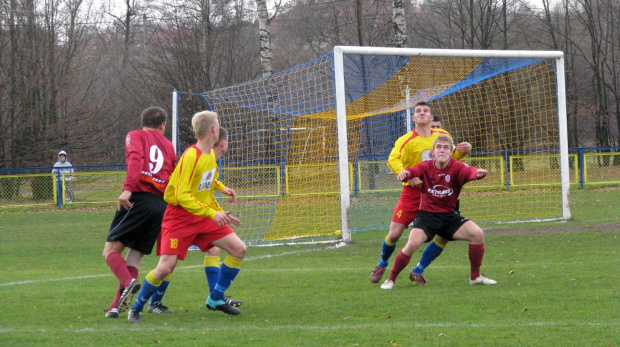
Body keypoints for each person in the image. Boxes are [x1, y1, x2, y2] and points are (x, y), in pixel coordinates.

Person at [128, 110, 245, 323]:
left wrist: (221, 188)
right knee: (165, 268)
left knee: (239, 249)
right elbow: (182, 195)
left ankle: (216, 298)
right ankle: (137, 307)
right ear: (213, 129)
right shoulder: (192, 155)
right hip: (180, 218)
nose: (219, 126)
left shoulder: (210, 154)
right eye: (217, 123)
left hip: (201, 216)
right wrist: (212, 212)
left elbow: (205, 180)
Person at [370, 101, 472, 285]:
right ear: (413, 118)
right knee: (394, 234)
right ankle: (382, 263)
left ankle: (418, 269)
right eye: (418, 111)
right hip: (412, 193)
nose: (422, 113)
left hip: (438, 194)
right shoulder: (405, 140)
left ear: (431, 117)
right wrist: (407, 177)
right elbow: (393, 160)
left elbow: (451, 158)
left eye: (426, 111)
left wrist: (464, 152)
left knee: (444, 235)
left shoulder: (443, 136)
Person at [381, 134, 496, 289]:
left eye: (446, 147)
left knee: (477, 234)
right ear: (433, 152)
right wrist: (405, 173)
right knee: (412, 244)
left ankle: (475, 277)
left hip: (449, 217)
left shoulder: (457, 166)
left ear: (451, 151)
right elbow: (412, 171)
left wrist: (478, 174)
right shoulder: (426, 166)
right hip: (427, 216)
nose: (442, 150)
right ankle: (390, 279)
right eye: (439, 147)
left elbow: (470, 172)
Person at [102, 107, 177, 318]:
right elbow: (173, 175)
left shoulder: (135, 135)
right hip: (160, 205)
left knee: (110, 252)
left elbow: (135, 159)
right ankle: (115, 306)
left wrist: (127, 189)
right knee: (133, 259)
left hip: (139, 199)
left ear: (142, 121)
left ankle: (128, 283)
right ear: (163, 125)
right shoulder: (169, 145)